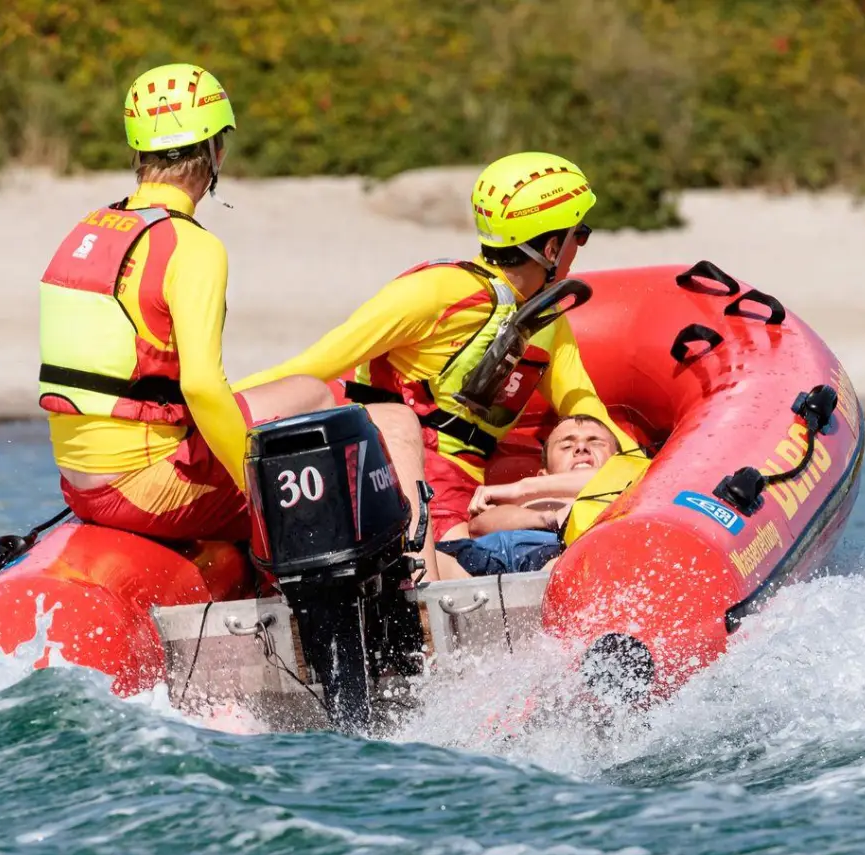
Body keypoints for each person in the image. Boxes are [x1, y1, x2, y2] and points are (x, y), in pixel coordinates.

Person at [235, 152, 637, 577]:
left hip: (463, 493)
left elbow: (583, 405)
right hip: (401, 475)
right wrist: (210, 408)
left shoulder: (547, 324)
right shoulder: (438, 291)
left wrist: (642, 471)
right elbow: (317, 362)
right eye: (582, 234)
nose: (582, 246)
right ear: (553, 246)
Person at [38, 63, 335, 542]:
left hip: (77, 483)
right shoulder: (192, 247)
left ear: (138, 150)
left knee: (282, 396)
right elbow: (199, 386)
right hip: (141, 487)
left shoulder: (89, 229)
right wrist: (258, 491)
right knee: (318, 397)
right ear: (216, 151)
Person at [438, 415, 619, 576]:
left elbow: (612, 476)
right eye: (566, 445)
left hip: (566, 556)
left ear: (620, 458)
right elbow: (478, 526)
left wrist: (521, 488)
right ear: (543, 475)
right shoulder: (531, 500)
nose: (581, 447)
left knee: (566, 564)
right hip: (499, 555)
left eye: (595, 442)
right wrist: (550, 518)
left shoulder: (632, 482)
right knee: (430, 559)